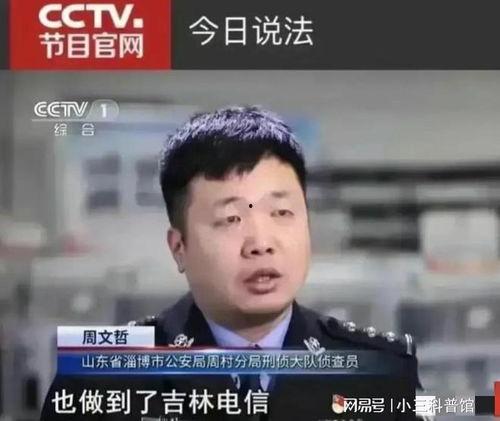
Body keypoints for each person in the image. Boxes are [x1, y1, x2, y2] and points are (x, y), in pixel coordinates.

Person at [41, 106, 422, 421]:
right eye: (230, 219)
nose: (261, 244)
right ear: (179, 247)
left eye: (282, 212)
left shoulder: (381, 372)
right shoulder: (98, 381)